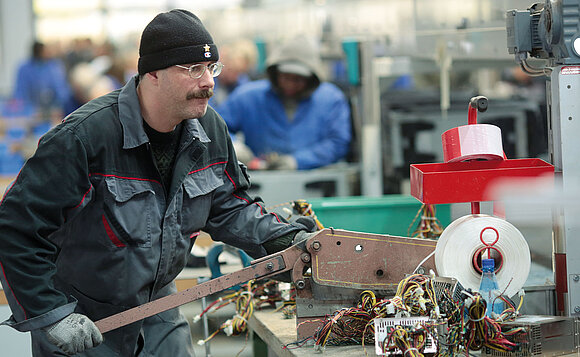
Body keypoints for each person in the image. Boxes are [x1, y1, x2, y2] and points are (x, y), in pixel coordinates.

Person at [0, 9, 315, 356]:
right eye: (193, 69)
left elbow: (229, 206)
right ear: (152, 73)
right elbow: (15, 229)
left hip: (158, 310)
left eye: (212, 68)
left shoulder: (210, 131)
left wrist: (287, 241)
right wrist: (51, 314)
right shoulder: (84, 139)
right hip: (84, 320)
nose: (209, 82)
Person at [217, 35, 352, 170]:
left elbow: (338, 142)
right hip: (259, 181)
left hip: (317, 183)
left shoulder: (331, 99)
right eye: (285, 77)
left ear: (311, 78)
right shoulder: (248, 97)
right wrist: (234, 145)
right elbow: (216, 127)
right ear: (275, 73)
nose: (290, 84)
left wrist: (299, 161)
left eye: (298, 79)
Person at [11, 40, 74, 118]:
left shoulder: (54, 66)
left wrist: (61, 107)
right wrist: (25, 111)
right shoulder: (25, 68)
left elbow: (61, 89)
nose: (48, 53)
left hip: (53, 109)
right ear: (38, 52)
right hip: (32, 110)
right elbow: (20, 92)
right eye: (45, 51)